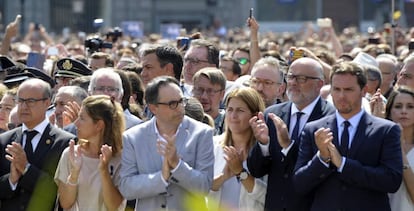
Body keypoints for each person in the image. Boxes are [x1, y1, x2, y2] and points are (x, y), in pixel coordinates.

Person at [294, 61, 402, 210]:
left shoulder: (386, 130)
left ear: (364, 91)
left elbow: (392, 181)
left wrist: (344, 164)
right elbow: (299, 184)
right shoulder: (314, 130)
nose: (341, 96)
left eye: (349, 90)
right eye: (336, 89)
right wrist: (322, 159)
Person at [247, 57, 335, 211]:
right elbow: (256, 170)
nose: (293, 82)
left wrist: (288, 146)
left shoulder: (330, 118)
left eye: (302, 79)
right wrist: (263, 145)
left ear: (319, 84)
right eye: (291, 77)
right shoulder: (272, 114)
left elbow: (320, 172)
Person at [119, 76, 214, 211]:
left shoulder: (202, 133)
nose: (180, 108)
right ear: (153, 108)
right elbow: (126, 188)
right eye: (172, 104)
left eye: (182, 101)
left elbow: (204, 186)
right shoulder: (133, 137)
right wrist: (161, 178)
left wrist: (177, 165)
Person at [0, 78, 75, 210]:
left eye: (31, 101)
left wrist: (27, 169)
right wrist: (11, 180)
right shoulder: (4, 140)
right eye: (20, 101)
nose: (24, 107)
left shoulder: (65, 142)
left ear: (47, 103)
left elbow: (60, 193)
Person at [54, 95, 126, 211]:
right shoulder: (71, 154)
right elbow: (65, 203)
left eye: (82, 118)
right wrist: (74, 173)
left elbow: (113, 206)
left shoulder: (122, 159)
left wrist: (104, 170)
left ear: (99, 125)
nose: (76, 123)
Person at [209, 87, 266, 210]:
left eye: (240, 110)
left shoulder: (263, 150)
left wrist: (241, 173)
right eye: (230, 110)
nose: (233, 116)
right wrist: (223, 177)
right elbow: (199, 189)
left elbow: (268, 197)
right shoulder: (212, 145)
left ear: (255, 115)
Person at [385, 86, 414, 211]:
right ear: (389, 111)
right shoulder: (379, 144)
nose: (404, 111)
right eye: (398, 106)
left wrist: (400, 152)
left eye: (410, 107)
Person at [192, 67, 226, 135]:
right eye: (200, 90)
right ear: (192, 91)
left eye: (210, 91)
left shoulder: (229, 123)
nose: (204, 96)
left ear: (222, 94)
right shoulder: (183, 121)